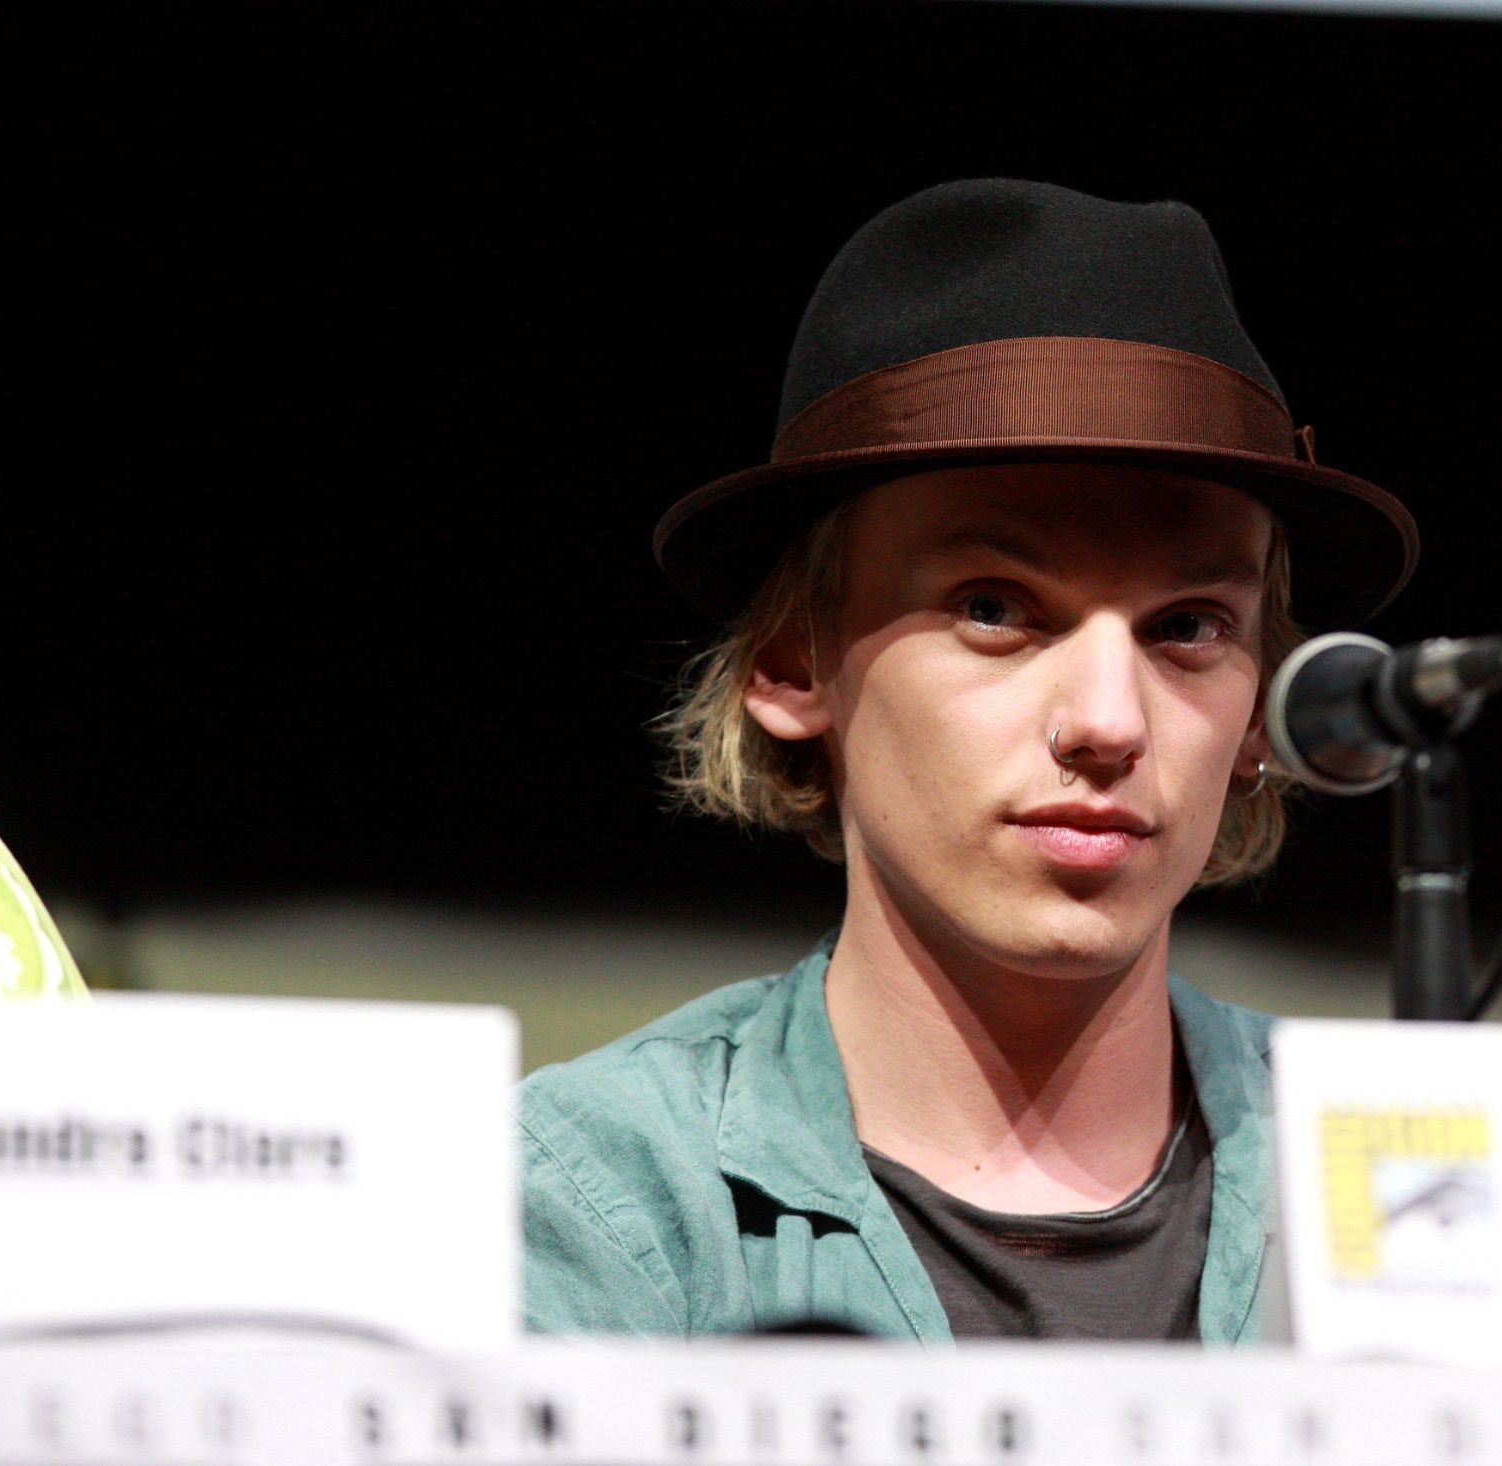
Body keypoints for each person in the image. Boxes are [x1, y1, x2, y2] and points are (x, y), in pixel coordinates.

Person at [519, 178, 1417, 1342]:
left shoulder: (1418, 1182)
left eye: (1188, 626)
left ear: (1262, 709)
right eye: (995, 607)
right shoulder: (589, 1199)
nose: (1108, 720)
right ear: (791, 661)